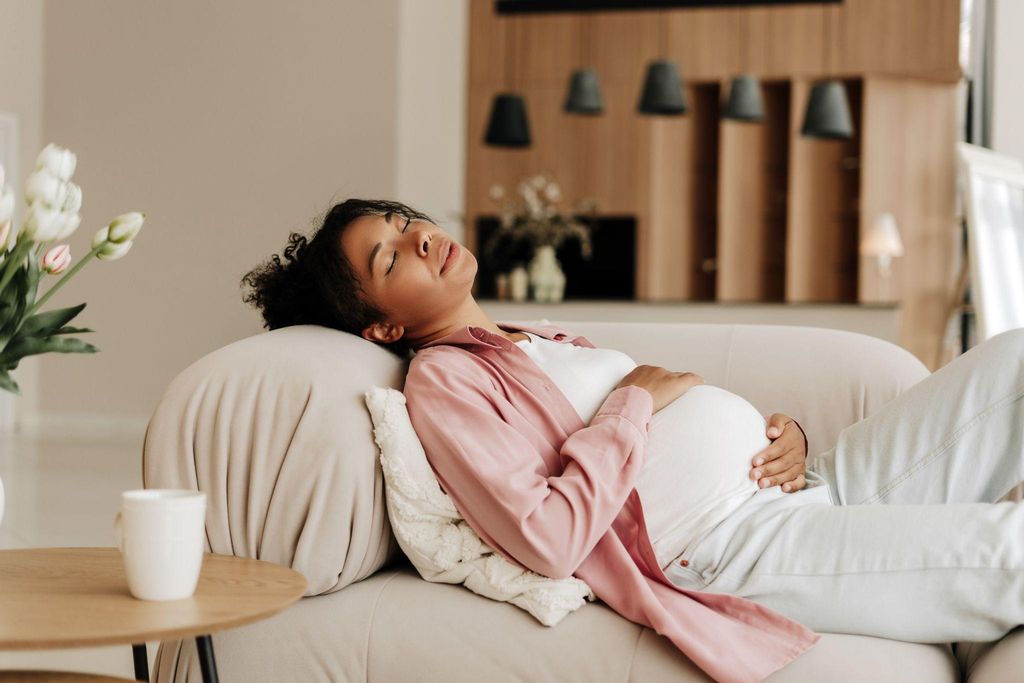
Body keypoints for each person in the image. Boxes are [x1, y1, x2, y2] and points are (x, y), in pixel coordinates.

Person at [242, 198, 1024, 683]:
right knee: (1012, 549)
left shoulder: (527, 336)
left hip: (799, 482)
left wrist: (781, 432)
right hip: (731, 543)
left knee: (1016, 358)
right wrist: (630, 401)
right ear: (382, 325)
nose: (419, 238)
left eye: (407, 222)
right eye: (390, 255)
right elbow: (548, 537)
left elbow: (662, 418)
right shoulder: (444, 384)